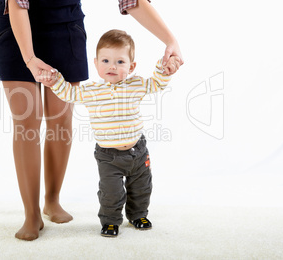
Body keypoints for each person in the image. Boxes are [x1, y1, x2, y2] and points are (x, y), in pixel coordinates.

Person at [0, 0, 183, 241]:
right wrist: (29, 58)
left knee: (60, 119)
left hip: (66, 26)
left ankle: (52, 200)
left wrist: (170, 40)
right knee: (26, 123)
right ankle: (31, 213)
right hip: (18, 26)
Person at [37, 29, 181, 237]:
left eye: (120, 62)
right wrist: (55, 81)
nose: (112, 66)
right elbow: (69, 93)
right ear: (95, 64)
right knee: (110, 192)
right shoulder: (91, 91)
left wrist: (164, 69)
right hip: (108, 156)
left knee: (142, 188)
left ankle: (138, 214)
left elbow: (156, 84)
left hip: (138, 152)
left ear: (131, 67)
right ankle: (111, 221)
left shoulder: (135, 84)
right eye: (105, 60)